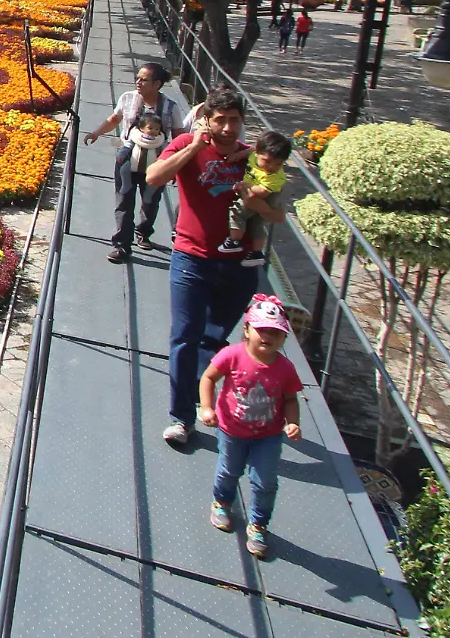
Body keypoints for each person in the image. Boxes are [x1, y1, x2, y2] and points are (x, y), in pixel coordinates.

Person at [146, 86, 285, 447]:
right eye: (220, 120)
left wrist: (255, 200)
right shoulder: (186, 147)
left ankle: (198, 389)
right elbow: (154, 178)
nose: (227, 128)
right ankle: (181, 417)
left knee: (214, 337)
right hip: (191, 258)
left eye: (234, 121)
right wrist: (193, 147)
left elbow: (277, 216)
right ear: (206, 120)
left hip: (238, 266)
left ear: (242, 122)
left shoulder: (254, 158)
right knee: (184, 337)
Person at [200, 294, 305, 560]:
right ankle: (222, 502)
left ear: (283, 339)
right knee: (229, 470)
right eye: (261, 330)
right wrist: (207, 407)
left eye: (275, 333)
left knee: (265, 480)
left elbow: (290, 399)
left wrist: (293, 422)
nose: (267, 337)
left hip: (267, 436)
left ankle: (258, 524)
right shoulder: (232, 355)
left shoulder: (285, 368)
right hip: (232, 430)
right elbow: (209, 378)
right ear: (247, 329)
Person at [82, 62, 186, 263]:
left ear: (157, 84)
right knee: (124, 200)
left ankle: (144, 231)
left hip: (157, 161)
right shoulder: (128, 98)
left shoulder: (171, 107)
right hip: (128, 158)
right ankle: (122, 245)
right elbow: (115, 119)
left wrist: (176, 166)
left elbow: (179, 136)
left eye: (144, 79)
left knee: (150, 201)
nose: (138, 82)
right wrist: (96, 132)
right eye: (137, 78)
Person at [218, 132, 292, 266]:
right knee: (257, 225)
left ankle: (234, 241)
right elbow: (249, 151)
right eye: (267, 161)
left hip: (264, 195)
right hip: (258, 192)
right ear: (258, 153)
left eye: (278, 164)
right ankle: (257, 253)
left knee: (237, 213)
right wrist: (237, 155)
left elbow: (262, 193)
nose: (271, 167)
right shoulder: (254, 154)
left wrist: (244, 186)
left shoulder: (275, 176)